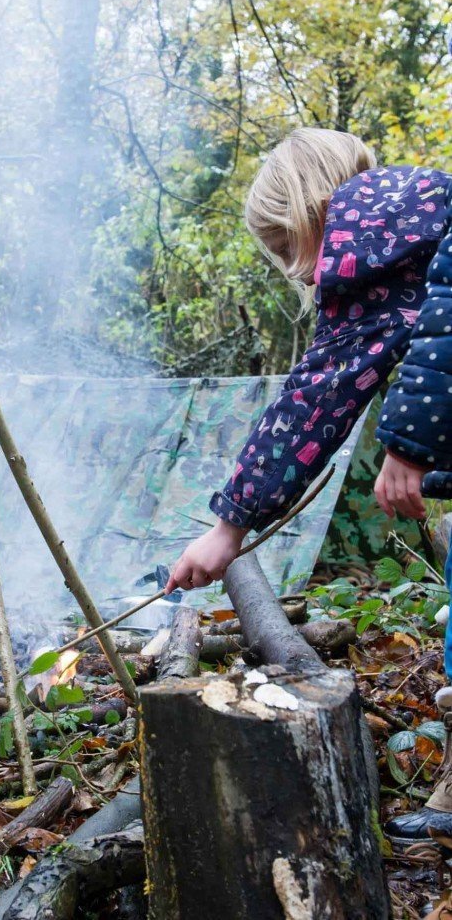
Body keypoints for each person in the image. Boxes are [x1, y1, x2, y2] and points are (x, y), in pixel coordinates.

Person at [164, 129, 452, 840]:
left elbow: (443, 326)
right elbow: (314, 400)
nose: (295, 268)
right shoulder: (386, 262)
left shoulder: (410, 224)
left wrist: (407, 443)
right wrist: (230, 525)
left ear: (309, 208)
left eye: (285, 242)